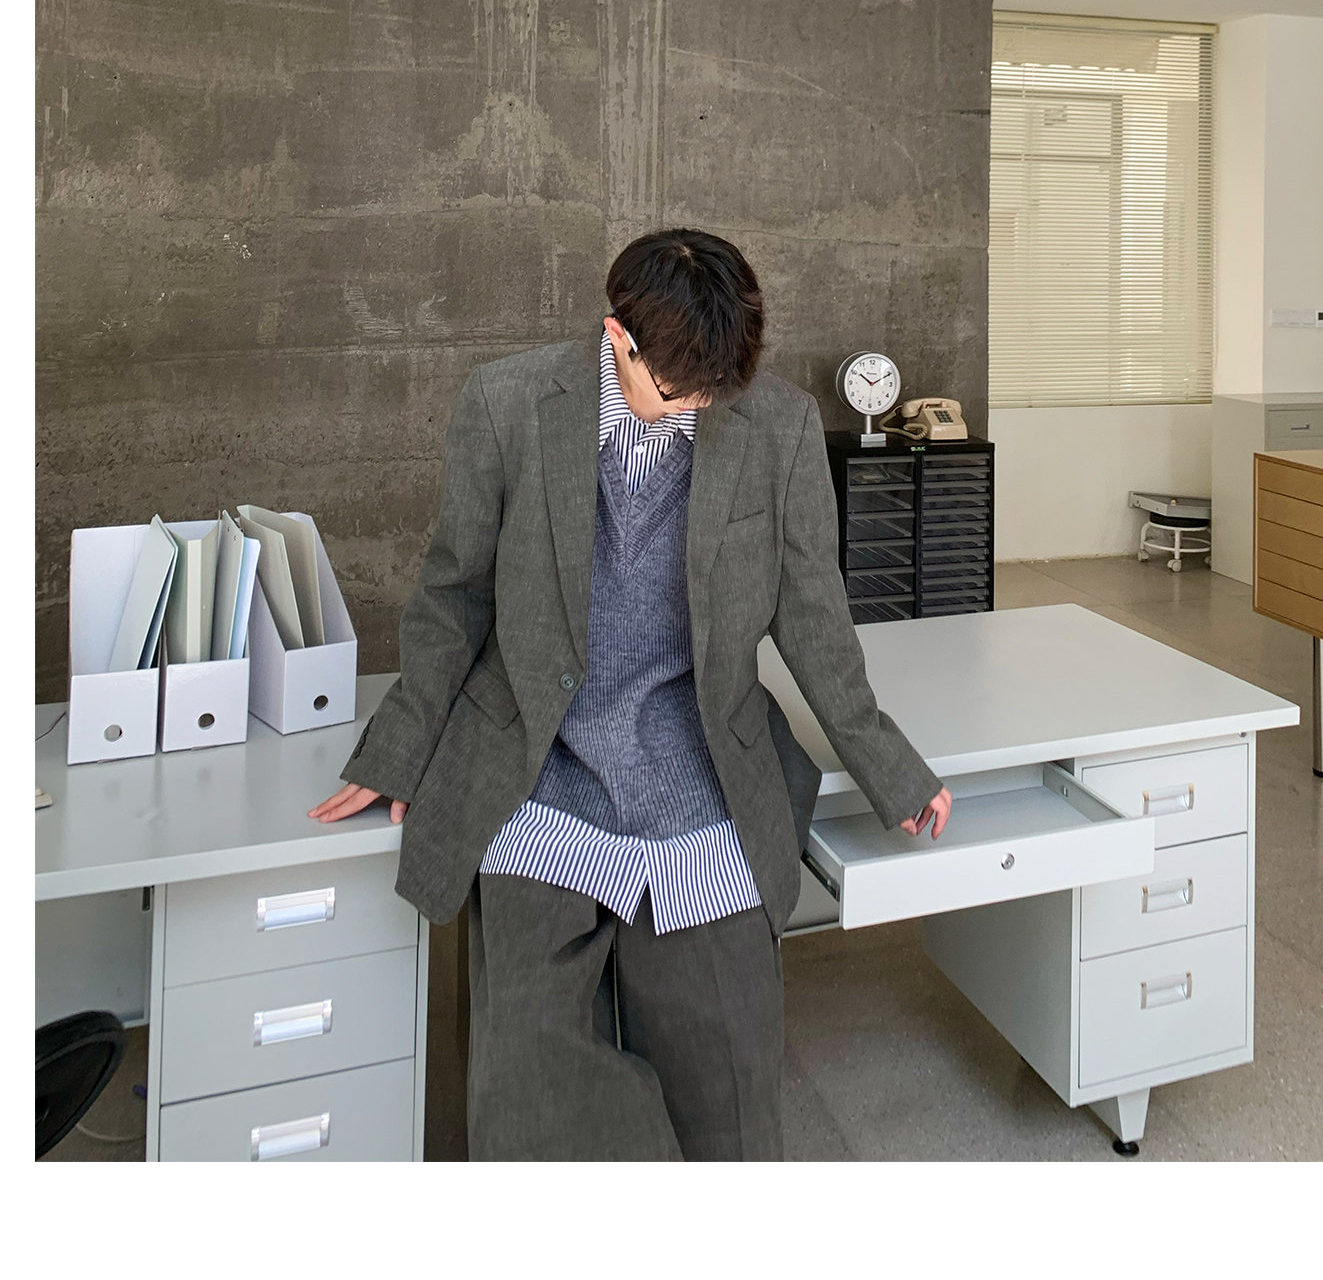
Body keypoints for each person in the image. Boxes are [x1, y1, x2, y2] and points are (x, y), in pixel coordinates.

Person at [310, 227, 952, 1161]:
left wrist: (891, 767)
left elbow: (816, 618)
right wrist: (397, 750)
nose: (699, 407)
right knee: (528, 1088)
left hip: (702, 777)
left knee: (731, 1093)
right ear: (619, 338)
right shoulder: (509, 402)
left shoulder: (777, 426)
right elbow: (455, 595)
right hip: (543, 774)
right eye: (679, 390)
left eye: (715, 390)